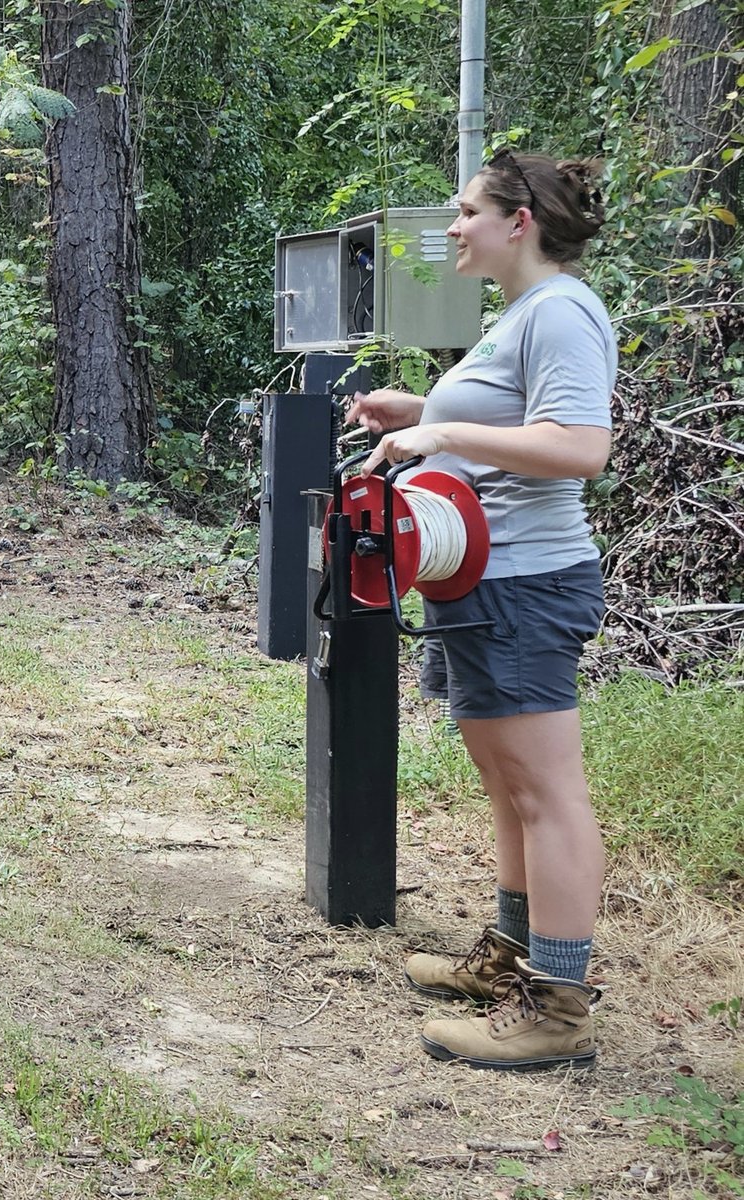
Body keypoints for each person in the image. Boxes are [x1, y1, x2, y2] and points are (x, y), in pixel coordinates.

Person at [346, 150, 616, 1072]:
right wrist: (419, 408)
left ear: (519, 221)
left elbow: (579, 446)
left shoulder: (563, 309)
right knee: (509, 787)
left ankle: (558, 1007)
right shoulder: (523, 314)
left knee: (546, 793)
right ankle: (510, 959)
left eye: (467, 211)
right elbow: (516, 417)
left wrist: (444, 430)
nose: (455, 227)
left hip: (527, 584)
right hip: (481, 580)